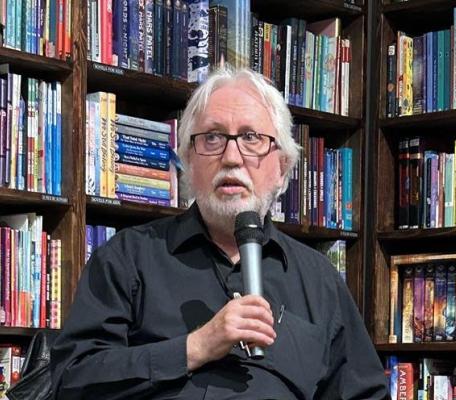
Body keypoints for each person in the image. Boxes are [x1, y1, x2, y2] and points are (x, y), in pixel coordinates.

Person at [50, 67, 388, 399]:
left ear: (282, 167)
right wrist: (196, 347)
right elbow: (73, 380)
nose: (231, 157)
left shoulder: (319, 279)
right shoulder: (128, 258)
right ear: (187, 161)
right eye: (212, 137)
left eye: (251, 138)